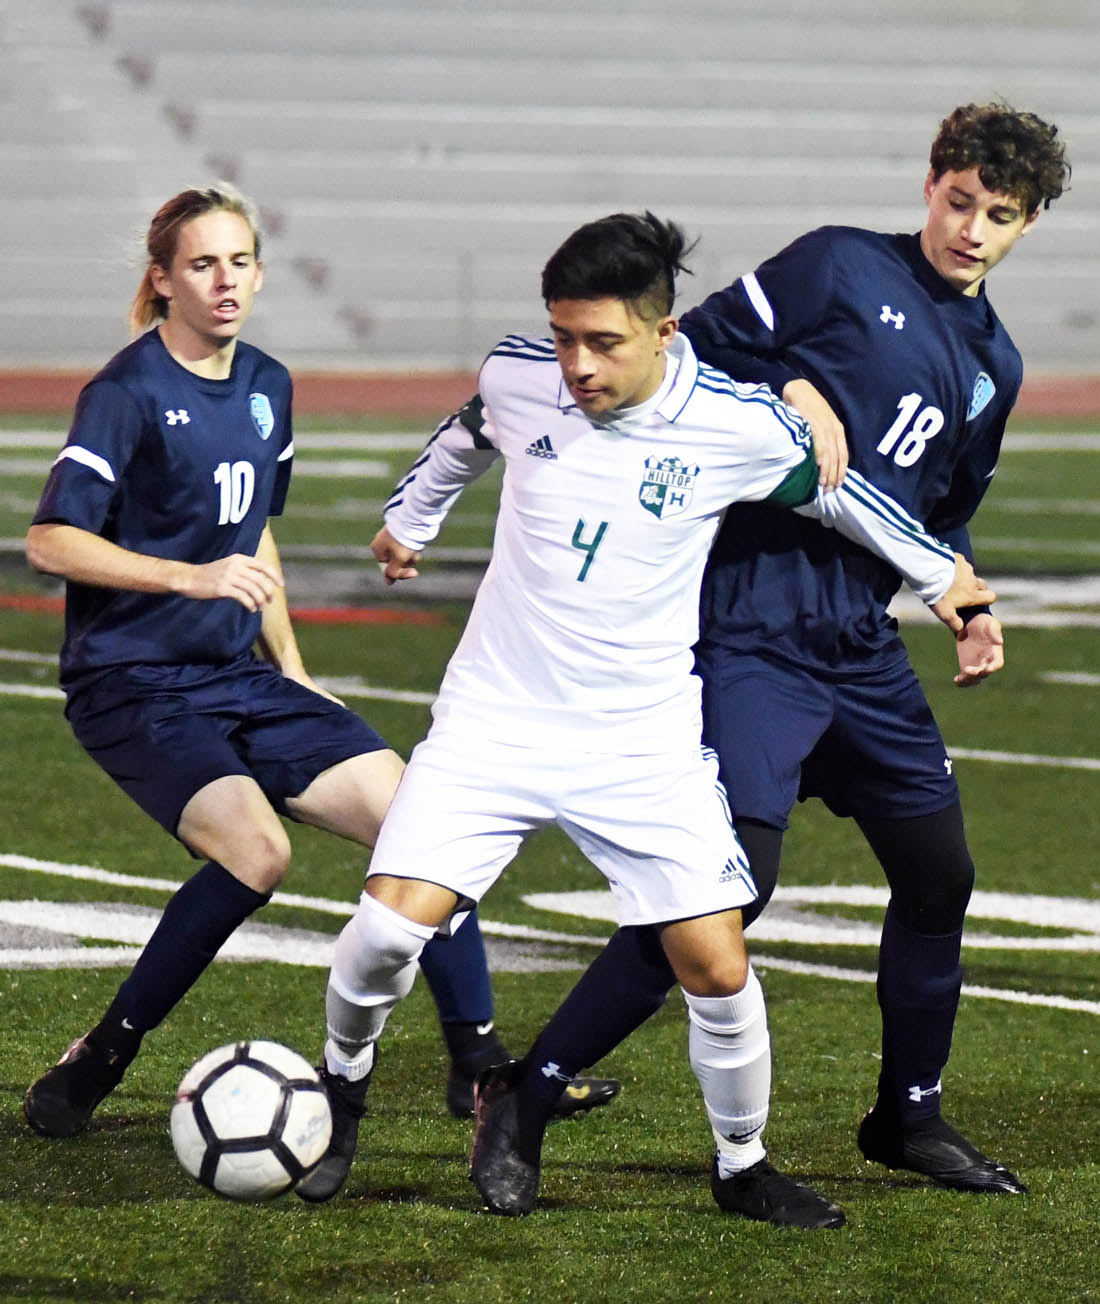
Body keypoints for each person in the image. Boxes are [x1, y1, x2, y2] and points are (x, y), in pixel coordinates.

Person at [293, 210, 993, 1223]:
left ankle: (742, 1165)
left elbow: (848, 500)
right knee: (385, 933)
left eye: (602, 341)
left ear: (665, 332)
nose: (575, 363)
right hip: (495, 717)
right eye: (563, 334)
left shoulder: (735, 425)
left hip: (639, 737)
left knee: (715, 957)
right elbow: (463, 437)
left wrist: (946, 581)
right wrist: (411, 518)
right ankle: (341, 1090)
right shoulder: (517, 374)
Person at [495, 102, 1070, 1197]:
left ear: (1027, 225)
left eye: (998, 216)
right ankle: (527, 1090)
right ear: (927, 184)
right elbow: (682, 354)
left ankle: (907, 1115)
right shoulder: (833, 269)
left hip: (859, 642)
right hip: (747, 620)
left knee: (938, 872)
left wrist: (971, 601)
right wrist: (785, 387)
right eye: (958, 202)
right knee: (727, 887)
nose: (971, 230)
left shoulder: (993, 363)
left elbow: (938, 515)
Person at [21, 184, 616, 1142]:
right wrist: (185, 580)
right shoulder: (125, 393)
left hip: (241, 678)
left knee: (427, 823)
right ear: (162, 281)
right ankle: (105, 1053)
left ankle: (479, 1070)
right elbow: (51, 541)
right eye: (203, 264)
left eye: (241, 261)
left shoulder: (267, 384)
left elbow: (254, 541)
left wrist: (291, 663)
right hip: (133, 682)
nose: (226, 281)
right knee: (258, 856)